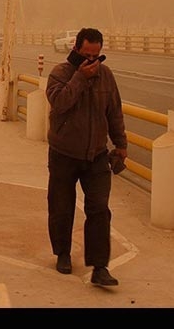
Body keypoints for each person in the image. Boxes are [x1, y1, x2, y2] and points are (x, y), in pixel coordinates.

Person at [45, 27, 127, 287]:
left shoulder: (106, 76)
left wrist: (121, 145)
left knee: (100, 209)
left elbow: (114, 112)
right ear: (77, 50)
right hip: (64, 153)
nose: (92, 60)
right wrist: (79, 78)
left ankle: (100, 266)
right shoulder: (59, 74)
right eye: (87, 54)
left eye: (97, 55)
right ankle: (63, 254)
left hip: (97, 155)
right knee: (61, 207)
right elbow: (59, 104)